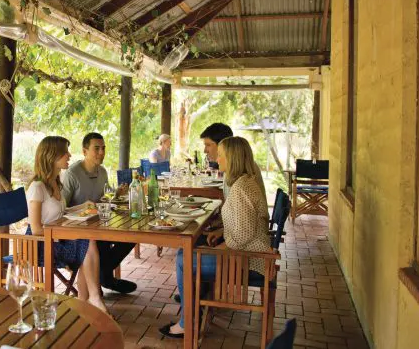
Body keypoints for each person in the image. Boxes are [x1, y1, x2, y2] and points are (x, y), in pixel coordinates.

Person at [160, 136, 271, 339]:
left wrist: (213, 249)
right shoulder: (246, 181)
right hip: (250, 255)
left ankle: (187, 323)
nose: (217, 160)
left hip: (248, 262)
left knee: (183, 258)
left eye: (221, 155)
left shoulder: (241, 189)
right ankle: (194, 307)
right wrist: (221, 233)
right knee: (189, 252)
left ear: (233, 158)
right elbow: (243, 226)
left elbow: (240, 239)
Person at [26, 136, 107, 312]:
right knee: (86, 243)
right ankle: (91, 300)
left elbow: (61, 212)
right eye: (65, 153)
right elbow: (36, 229)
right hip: (41, 244)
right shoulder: (37, 187)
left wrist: (82, 206)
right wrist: (66, 233)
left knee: (88, 240)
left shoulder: (55, 182)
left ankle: (87, 302)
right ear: (51, 156)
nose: (69, 155)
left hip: (58, 239)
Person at [62, 132, 138, 294]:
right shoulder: (72, 174)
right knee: (101, 243)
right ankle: (105, 277)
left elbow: (104, 198)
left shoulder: (102, 171)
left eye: (103, 148)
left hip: (100, 223)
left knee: (132, 236)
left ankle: (103, 274)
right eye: (96, 149)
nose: (101, 153)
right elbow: (61, 208)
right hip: (79, 230)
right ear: (84, 151)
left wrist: (116, 194)